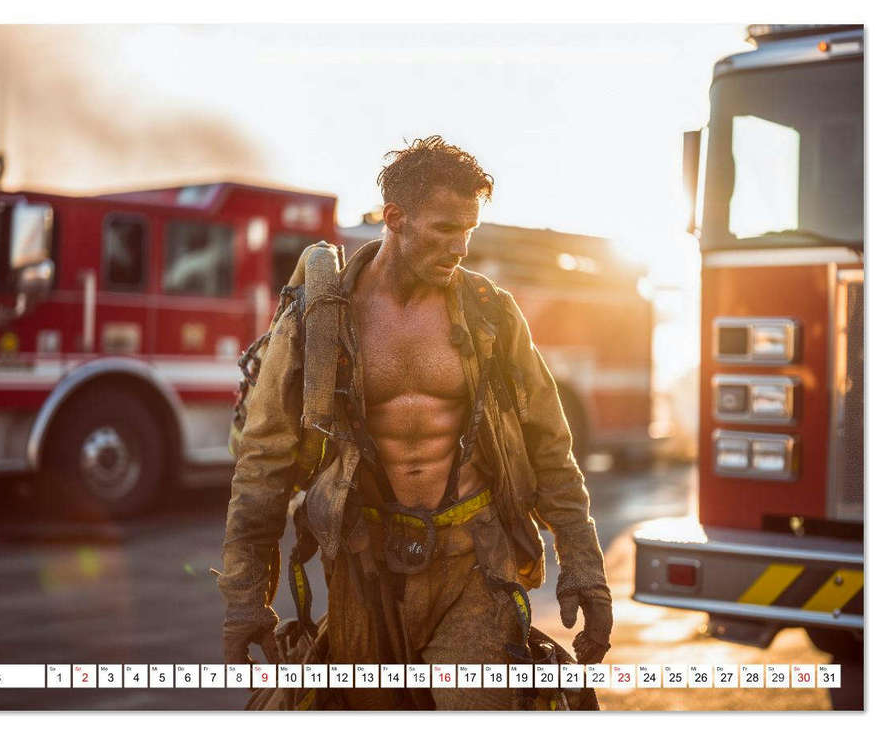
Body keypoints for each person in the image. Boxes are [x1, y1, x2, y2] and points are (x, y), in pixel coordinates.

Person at [219, 135, 612, 710]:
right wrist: (244, 596)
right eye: (445, 229)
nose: (461, 247)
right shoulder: (320, 323)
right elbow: (264, 462)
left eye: (469, 230)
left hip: (472, 560)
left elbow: (551, 448)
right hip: (364, 565)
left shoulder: (491, 314)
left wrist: (585, 569)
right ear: (395, 218)